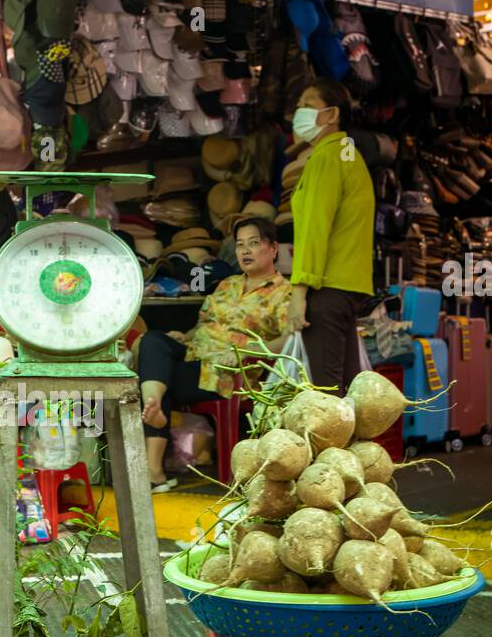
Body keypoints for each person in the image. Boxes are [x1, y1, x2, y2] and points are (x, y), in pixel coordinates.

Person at [138, 218, 291, 491]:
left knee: (160, 372)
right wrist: (185, 337)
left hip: (229, 374)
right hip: (195, 360)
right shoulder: (227, 284)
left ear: (273, 249)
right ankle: (155, 405)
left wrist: (244, 351)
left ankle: (154, 469)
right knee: (153, 342)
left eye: (253, 244)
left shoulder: (285, 293)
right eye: (241, 245)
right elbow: (204, 325)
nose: (245, 251)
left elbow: (284, 343)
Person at [286, 79, 375, 394]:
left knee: (327, 396)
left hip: (326, 288)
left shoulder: (326, 157)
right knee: (346, 392)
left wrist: (299, 292)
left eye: (308, 105)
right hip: (348, 288)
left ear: (332, 113)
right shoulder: (350, 154)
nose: (299, 112)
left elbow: (314, 227)